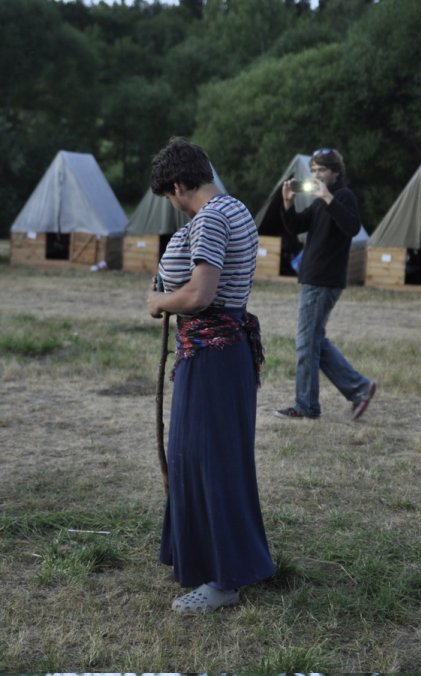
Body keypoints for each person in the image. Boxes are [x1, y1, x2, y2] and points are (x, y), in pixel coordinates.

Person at [147, 137, 275, 613]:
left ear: (179, 186)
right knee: (206, 459)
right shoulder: (234, 208)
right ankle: (220, 563)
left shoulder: (211, 218)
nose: (173, 206)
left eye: (169, 197)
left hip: (213, 354)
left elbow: (200, 294)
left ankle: (223, 581)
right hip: (220, 351)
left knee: (206, 462)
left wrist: (159, 301)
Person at [275, 148, 376, 421]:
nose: (316, 175)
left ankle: (306, 406)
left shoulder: (342, 196)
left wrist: (328, 197)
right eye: (314, 170)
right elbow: (296, 226)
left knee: (306, 344)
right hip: (313, 278)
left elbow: (352, 227)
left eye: (321, 170)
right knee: (314, 341)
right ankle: (360, 388)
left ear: (336, 172)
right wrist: (288, 204)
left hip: (323, 280)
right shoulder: (320, 200)